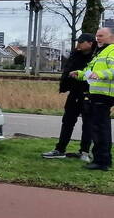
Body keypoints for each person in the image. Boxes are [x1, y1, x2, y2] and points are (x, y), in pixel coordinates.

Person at [42, 33, 95, 161]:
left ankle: (84, 152)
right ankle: (60, 149)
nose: (78, 44)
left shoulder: (96, 57)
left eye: (81, 42)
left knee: (88, 124)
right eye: (78, 42)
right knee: (67, 121)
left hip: (89, 94)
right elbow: (67, 71)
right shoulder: (75, 55)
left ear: (90, 43)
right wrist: (65, 85)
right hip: (74, 92)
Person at [71, 27, 114, 171]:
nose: (98, 38)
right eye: (97, 36)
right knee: (99, 128)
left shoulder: (112, 51)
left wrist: (100, 74)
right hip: (96, 94)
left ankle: (101, 162)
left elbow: (110, 71)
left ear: (111, 37)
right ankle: (103, 160)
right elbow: (91, 72)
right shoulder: (100, 52)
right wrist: (80, 74)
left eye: (101, 36)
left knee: (100, 128)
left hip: (105, 95)